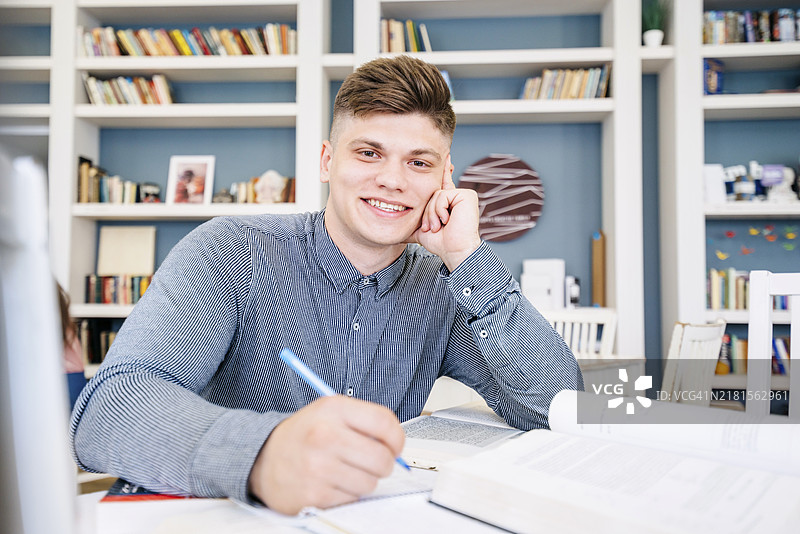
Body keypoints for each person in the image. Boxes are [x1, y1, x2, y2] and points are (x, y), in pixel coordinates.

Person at [70, 55, 582, 515]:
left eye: (419, 163)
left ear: (445, 179)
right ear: (326, 161)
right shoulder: (231, 251)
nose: (393, 180)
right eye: (369, 153)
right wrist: (262, 455)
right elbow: (108, 409)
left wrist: (468, 258)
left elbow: (560, 403)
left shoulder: (447, 285)